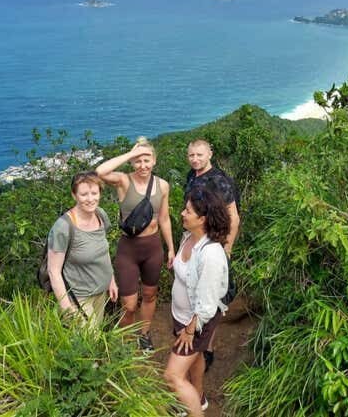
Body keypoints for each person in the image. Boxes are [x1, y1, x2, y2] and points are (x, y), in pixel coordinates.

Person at [96, 137, 175, 351]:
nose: (143, 165)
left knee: (150, 295)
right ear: (132, 162)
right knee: (129, 305)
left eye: (147, 160)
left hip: (153, 247)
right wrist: (131, 153)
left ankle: (144, 334)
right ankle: (127, 341)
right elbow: (100, 172)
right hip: (128, 248)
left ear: (154, 161)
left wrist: (171, 249)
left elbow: (165, 219)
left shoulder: (163, 185)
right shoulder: (123, 181)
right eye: (138, 161)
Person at [164, 186, 230, 416]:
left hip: (196, 322)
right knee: (196, 357)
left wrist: (191, 330)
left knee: (172, 376)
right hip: (181, 315)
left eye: (188, 211)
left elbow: (208, 305)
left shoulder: (211, 254)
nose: (182, 213)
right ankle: (198, 397)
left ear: (202, 219)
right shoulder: (189, 237)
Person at [184, 139, 240, 370]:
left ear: (210, 154)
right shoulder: (192, 175)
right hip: (194, 240)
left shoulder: (219, 180)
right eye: (191, 155)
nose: (195, 159)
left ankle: (207, 347)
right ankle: (198, 337)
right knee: (195, 290)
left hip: (212, 243)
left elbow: (233, 217)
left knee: (212, 296)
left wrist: (226, 248)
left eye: (200, 155)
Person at [47, 171, 118, 329]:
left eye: (94, 193)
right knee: (87, 343)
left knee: (97, 334)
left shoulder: (100, 215)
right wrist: (68, 308)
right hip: (79, 297)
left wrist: (111, 281)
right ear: (74, 195)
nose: (90, 199)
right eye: (84, 194)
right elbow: (53, 271)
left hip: (101, 291)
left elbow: (103, 251)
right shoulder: (63, 227)